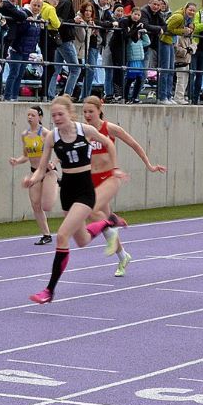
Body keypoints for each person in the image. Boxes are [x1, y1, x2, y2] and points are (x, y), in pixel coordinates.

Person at [24, 95, 124, 304]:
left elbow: (109, 143)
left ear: (70, 113)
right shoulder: (52, 137)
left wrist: (114, 168)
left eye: (60, 114)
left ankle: (49, 290)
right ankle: (107, 222)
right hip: (67, 191)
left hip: (84, 190)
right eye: (53, 116)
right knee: (82, 240)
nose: (57, 119)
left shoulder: (84, 130)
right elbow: (41, 168)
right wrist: (32, 179)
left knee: (62, 236)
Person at [82, 95, 167, 276]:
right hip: (90, 178)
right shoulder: (83, 130)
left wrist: (149, 165)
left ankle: (113, 223)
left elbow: (134, 144)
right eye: (85, 112)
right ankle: (123, 257)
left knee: (91, 211)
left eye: (91, 111)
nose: (87, 115)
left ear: (99, 110)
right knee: (104, 224)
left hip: (107, 178)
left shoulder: (110, 128)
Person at [10, 105, 59, 244]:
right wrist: (17, 161)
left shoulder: (46, 133)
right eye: (28, 115)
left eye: (33, 115)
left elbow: (61, 149)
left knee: (46, 205)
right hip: (34, 172)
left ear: (40, 117)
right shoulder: (24, 135)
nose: (30, 117)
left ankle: (58, 183)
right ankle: (46, 235)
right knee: (35, 204)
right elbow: (26, 156)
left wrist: (54, 162)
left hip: (47, 172)